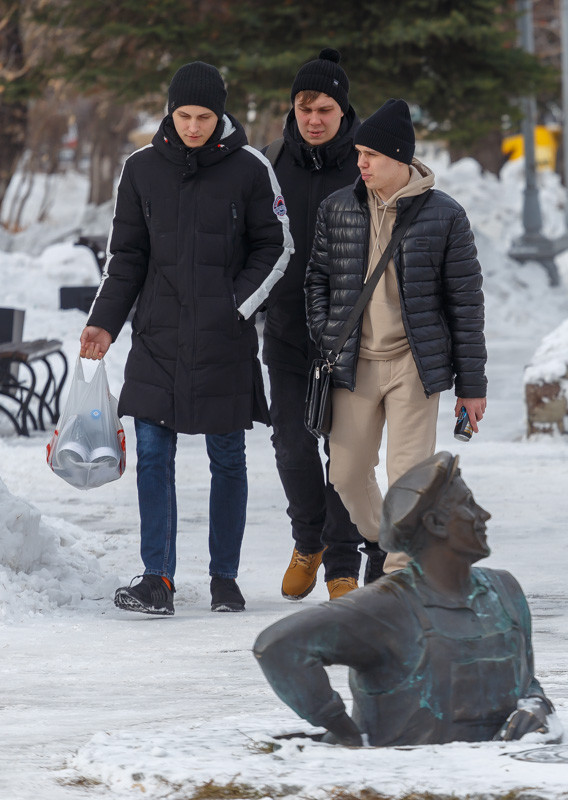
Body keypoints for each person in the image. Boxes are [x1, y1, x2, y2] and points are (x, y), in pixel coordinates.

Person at [80, 61, 293, 616]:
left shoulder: (250, 169)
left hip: (223, 337)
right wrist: (104, 320)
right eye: (183, 115)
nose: (193, 127)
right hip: (157, 335)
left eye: (204, 116)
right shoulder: (140, 169)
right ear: (169, 112)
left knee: (227, 457)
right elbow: (126, 256)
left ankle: (225, 577)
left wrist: (235, 305)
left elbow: (277, 246)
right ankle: (158, 579)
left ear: (220, 114)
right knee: (152, 454)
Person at [253, 452, 556, 746]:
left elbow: (527, 683)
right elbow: (278, 647)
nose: (483, 515)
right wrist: (343, 730)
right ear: (435, 523)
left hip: (496, 781)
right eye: (468, 505)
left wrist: (535, 707)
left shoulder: (505, 590)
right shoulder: (389, 605)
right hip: (411, 783)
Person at [305, 98, 486, 575]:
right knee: (345, 474)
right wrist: (327, 336)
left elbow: (466, 304)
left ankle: (401, 577)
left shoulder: (445, 216)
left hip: (414, 363)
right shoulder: (337, 208)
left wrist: (472, 385)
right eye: (359, 153)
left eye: (372, 155)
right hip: (353, 362)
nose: (360, 162)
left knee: (408, 477)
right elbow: (317, 281)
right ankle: (388, 542)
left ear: (401, 159)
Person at [262, 49, 372, 602]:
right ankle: (309, 542)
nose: (314, 119)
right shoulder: (271, 160)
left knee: (346, 452)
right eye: (305, 108)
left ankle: (342, 563)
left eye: (324, 108)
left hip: (351, 333)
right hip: (285, 328)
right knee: (291, 443)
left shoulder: (366, 164)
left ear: (342, 109)